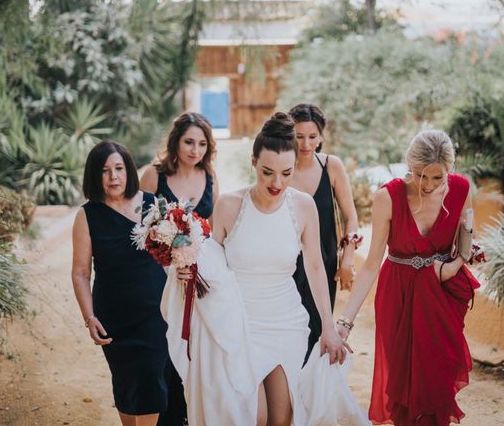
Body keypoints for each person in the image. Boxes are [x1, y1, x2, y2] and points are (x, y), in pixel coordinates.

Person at [166, 112, 356, 426]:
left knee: (282, 418)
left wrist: (327, 325)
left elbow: (315, 268)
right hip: (239, 324)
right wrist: (189, 270)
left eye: (286, 173)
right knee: (253, 416)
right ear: (253, 162)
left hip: (286, 322)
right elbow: (208, 262)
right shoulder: (229, 205)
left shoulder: (303, 207)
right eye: (267, 172)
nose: (277, 183)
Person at [336, 129, 480, 426]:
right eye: (419, 175)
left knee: (435, 380)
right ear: (409, 166)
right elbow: (372, 264)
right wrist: (345, 323)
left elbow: (467, 236)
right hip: (398, 294)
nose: (427, 185)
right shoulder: (387, 197)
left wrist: (452, 268)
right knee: (403, 381)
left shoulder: (462, 188)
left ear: (449, 171)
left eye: (437, 178)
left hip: (441, 293)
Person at [71, 140, 171, 426]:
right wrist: (89, 317)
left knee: (152, 379)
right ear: (95, 175)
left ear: (128, 171)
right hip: (112, 315)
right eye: (105, 171)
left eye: (119, 168)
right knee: (126, 383)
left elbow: (171, 258)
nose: (114, 177)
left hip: (155, 311)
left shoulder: (153, 205)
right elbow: (80, 272)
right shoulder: (87, 216)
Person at [141, 112, 218, 426]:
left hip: (199, 280)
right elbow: (143, 232)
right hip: (160, 281)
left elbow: (213, 231)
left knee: (197, 355)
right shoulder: (153, 176)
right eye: (189, 142)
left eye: (201, 144)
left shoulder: (210, 177)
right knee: (166, 355)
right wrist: (171, 263)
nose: (195, 150)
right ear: (175, 142)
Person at [288, 103, 360, 363]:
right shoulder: (281, 168)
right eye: (298, 136)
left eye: (312, 136)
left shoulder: (332, 166)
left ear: (321, 137)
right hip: (287, 264)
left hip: (325, 262)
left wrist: (347, 260)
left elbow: (351, 217)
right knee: (291, 331)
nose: (306, 144)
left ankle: (314, 396)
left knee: (319, 330)